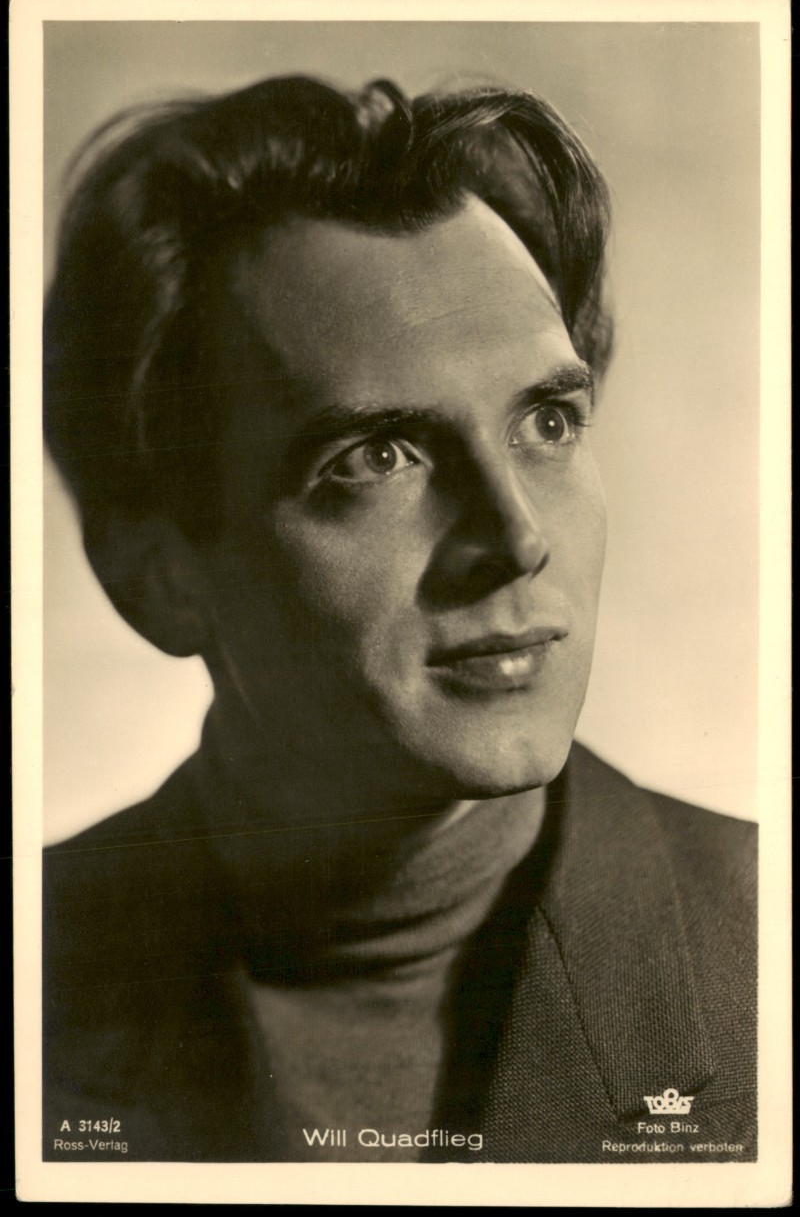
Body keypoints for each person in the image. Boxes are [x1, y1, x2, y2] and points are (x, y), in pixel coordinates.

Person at [42, 74, 756, 1164]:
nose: (516, 537)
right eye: (376, 456)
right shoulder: (40, 972)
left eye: (547, 421)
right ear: (158, 576)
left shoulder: (763, 949)